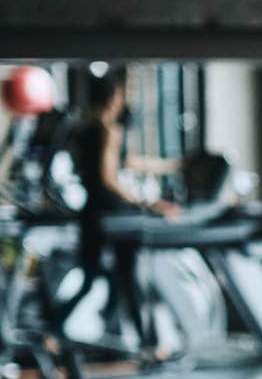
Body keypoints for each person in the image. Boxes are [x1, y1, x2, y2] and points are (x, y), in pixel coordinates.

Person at [69, 66, 179, 350]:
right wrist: (144, 202)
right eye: (119, 94)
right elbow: (110, 177)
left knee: (93, 276)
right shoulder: (109, 129)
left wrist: (170, 165)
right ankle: (146, 343)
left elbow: (125, 162)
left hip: (91, 209)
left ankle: (62, 328)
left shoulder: (84, 128)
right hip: (111, 213)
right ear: (112, 98)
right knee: (127, 277)